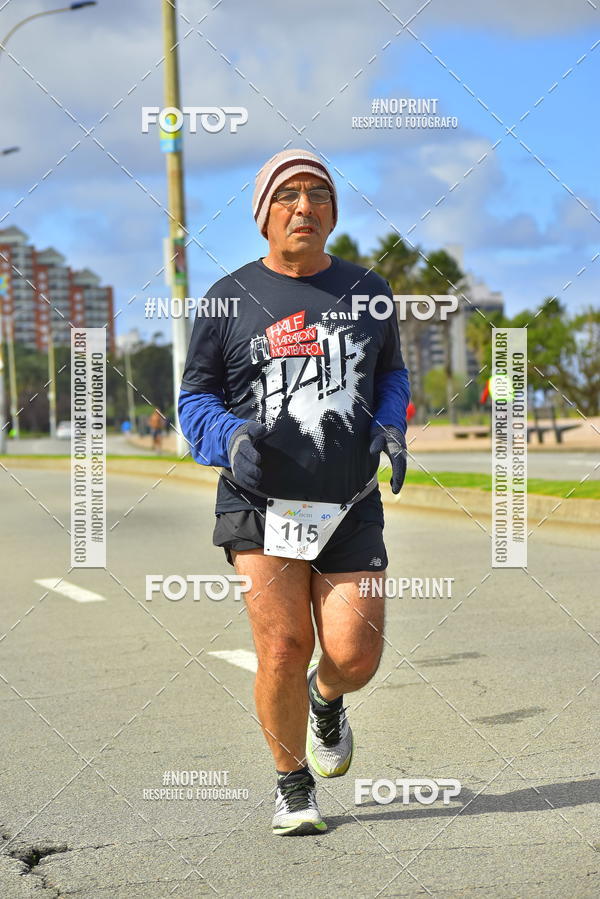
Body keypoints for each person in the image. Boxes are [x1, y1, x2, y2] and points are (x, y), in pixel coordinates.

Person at [178, 149, 410, 835]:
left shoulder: (369, 290)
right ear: (263, 215)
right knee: (283, 645)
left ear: (333, 213)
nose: (303, 206)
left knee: (355, 656)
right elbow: (194, 397)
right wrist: (229, 438)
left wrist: (390, 425)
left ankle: (326, 700)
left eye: (317, 195)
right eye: (288, 195)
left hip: (349, 499)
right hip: (259, 501)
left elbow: (391, 374)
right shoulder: (226, 298)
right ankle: (291, 784)